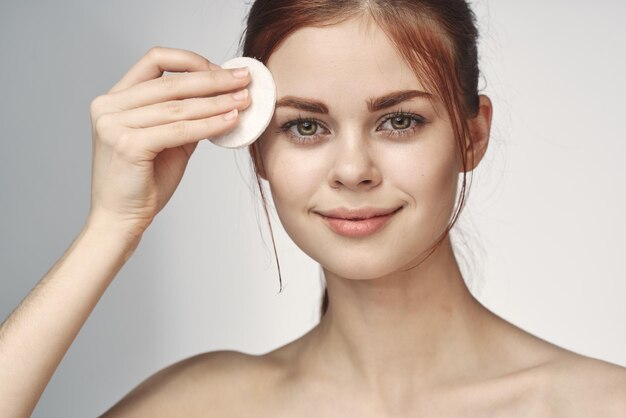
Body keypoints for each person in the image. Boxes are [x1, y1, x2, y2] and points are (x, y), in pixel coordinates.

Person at [1, 0, 625, 417]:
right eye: (306, 127)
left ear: (472, 135)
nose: (353, 170)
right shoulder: (202, 407)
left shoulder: (596, 403)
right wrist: (110, 229)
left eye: (399, 120)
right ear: (257, 150)